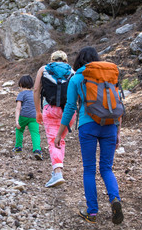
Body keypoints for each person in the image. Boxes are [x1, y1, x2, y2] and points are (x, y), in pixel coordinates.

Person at [54, 46, 124, 224]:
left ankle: (92, 213)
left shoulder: (77, 77)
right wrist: (118, 132)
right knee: (107, 168)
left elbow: (70, 107)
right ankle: (115, 199)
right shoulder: (108, 76)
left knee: (89, 170)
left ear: (79, 60)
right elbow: (118, 105)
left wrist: (59, 134)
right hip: (110, 125)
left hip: (88, 126)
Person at [33, 50, 76, 187]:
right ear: (65, 60)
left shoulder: (44, 69)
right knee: (60, 139)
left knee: (53, 141)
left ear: (51, 59)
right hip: (68, 111)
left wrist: (37, 111)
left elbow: (36, 90)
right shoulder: (72, 70)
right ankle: (57, 170)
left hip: (50, 109)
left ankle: (57, 172)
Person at [13, 75, 42, 160]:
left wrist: (17, 121)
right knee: (35, 133)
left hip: (24, 116)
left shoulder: (21, 94)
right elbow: (38, 106)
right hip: (34, 116)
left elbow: (18, 108)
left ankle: (18, 147)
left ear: (21, 84)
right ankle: (37, 150)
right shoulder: (35, 94)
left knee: (19, 130)